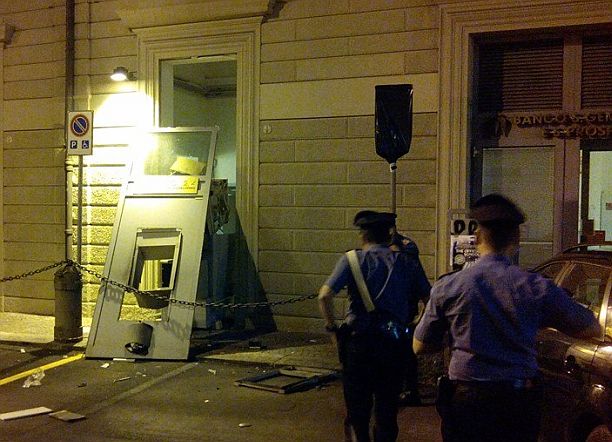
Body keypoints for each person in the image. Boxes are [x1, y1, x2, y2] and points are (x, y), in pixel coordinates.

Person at [413, 193, 602, 442]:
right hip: (518, 400)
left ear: (477, 237)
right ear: (516, 238)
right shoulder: (537, 287)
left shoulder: (449, 286)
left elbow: (420, 346)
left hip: (467, 400)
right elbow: (591, 328)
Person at [318, 210, 431, 442]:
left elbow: (324, 296)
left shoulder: (351, 260)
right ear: (389, 235)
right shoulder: (407, 262)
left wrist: (332, 329)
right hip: (393, 344)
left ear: (363, 235)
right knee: (387, 409)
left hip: (358, 344)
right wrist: (416, 324)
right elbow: (430, 299)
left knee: (357, 409)